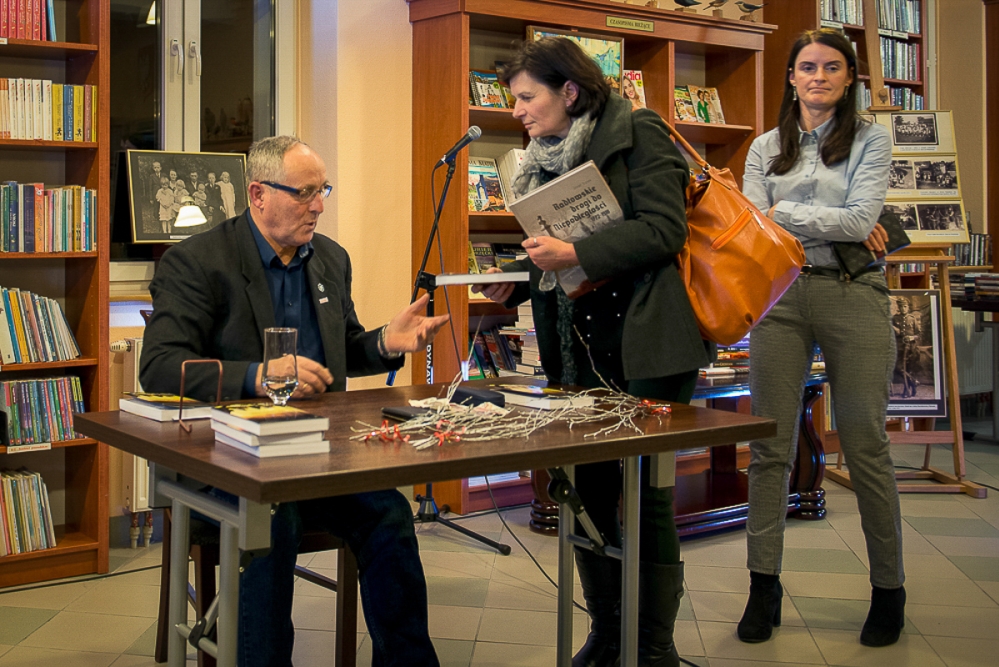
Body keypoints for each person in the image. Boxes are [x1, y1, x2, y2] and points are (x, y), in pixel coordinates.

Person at [140, 135, 449, 667]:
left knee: (390, 511)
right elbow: (161, 366)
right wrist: (258, 376)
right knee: (272, 518)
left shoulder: (330, 259)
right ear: (258, 195)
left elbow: (341, 349)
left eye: (322, 190)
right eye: (304, 192)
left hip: (319, 455)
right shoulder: (197, 261)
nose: (318, 206)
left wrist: (384, 343)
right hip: (229, 456)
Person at [476, 37, 710, 667]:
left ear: (570, 91)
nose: (517, 111)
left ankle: (653, 648)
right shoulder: (536, 159)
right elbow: (558, 244)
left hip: (645, 343)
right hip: (576, 344)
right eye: (514, 99)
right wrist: (519, 272)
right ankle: (608, 634)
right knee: (585, 490)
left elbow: (664, 230)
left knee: (647, 493)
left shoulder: (639, 132)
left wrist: (575, 253)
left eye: (527, 97)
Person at [740, 28, 905, 648]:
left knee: (864, 443)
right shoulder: (764, 147)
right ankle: (763, 587)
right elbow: (750, 226)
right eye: (807, 67)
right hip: (779, 298)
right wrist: (828, 223)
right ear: (791, 77)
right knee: (769, 447)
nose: (819, 77)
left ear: (849, 78)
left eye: (832, 67)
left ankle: (888, 589)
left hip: (851, 291)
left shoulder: (871, 139)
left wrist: (782, 213)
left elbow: (860, 220)